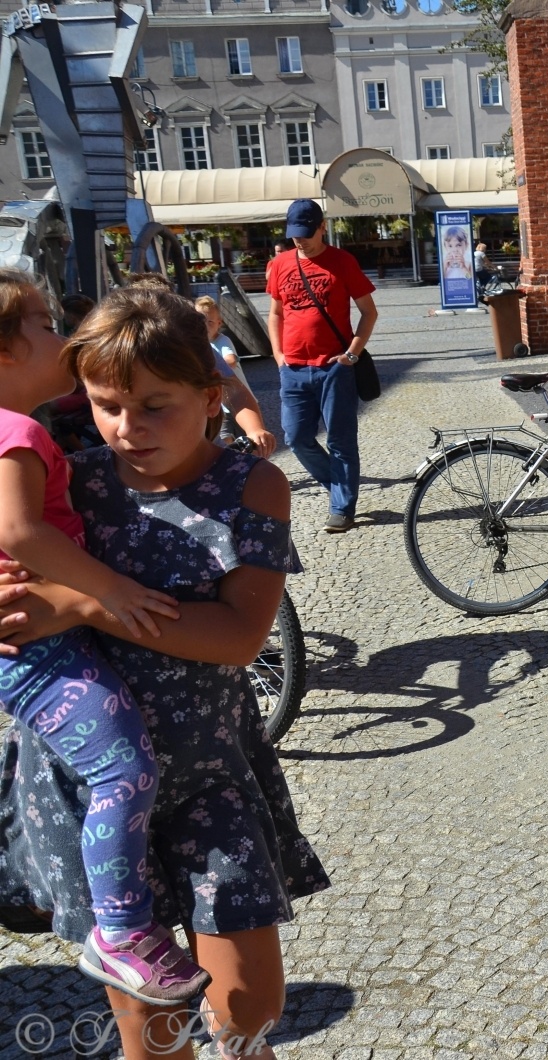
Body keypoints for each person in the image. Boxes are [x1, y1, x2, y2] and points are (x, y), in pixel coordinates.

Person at [0, 286, 329, 1060]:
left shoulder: (251, 487)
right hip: (95, 788)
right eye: (107, 405)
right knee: (151, 1023)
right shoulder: (70, 479)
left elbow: (239, 637)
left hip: (211, 771)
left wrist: (83, 605)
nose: (128, 428)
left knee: (251, 1004)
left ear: (211, 398)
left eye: (156, 405)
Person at [0, 272, 210, 1004]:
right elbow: (21, 533)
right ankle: (120, 932)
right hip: (39, 645)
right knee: (121, 770)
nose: (61, 339)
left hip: (35, 641)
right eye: (44, 324)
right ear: (3, 353)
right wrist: (105, 590)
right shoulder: (19, 431)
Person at [267, 198, 377, 534]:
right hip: (294, 369)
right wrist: (279, 356)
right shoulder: (281, 264)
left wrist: (352, 354)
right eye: (294, 234)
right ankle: (341, 487)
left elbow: (369, 312)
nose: (300, 240)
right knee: (296, 437)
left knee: (341, 440)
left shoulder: (342, 262)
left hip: (335, 367)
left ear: (322, 227)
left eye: (306, 233)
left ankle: (342, 508)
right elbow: (275, 313)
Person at [194, 296, 276, 456]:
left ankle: (242, 461)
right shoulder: (198, 344)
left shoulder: (221, 342)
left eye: (209, 322)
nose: (205, 326)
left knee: (248, 441)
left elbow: (230, 359)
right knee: (224, 437)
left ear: (219, 323)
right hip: (219, 408)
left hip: (233, 400)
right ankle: (229, 457)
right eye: (201, 321)